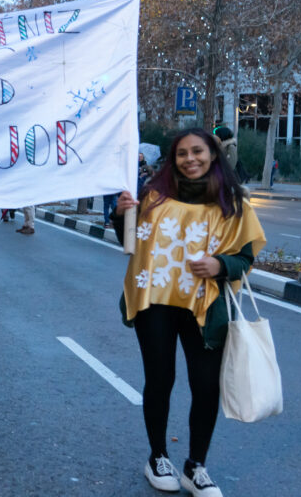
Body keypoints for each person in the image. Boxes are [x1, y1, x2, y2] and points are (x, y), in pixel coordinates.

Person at [113, 128, 266, 497]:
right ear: (173, 158)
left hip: (206, 306)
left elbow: (246, 256)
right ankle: (157, 457)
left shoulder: (233, 202)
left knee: (205, 386)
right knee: (160, 379)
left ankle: (196, 466)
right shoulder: (152, 196)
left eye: (198, 151)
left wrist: (220, 265)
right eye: (182, 153)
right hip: (155, 302)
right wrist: (121, 217)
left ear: (213, 154)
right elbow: (130, 244)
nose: (190, 159)